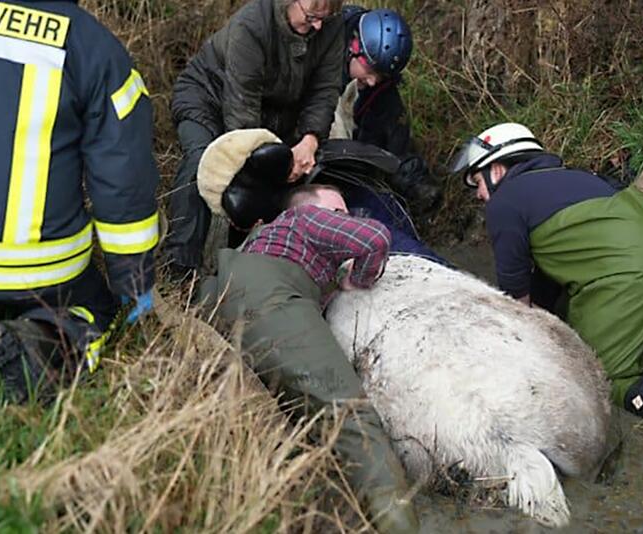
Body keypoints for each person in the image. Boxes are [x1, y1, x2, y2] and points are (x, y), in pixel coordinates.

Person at [0, 0, 160, 403]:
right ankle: (46, 342)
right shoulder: (87, 42)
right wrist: (133, 281)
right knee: (97, 309)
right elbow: (123, 176)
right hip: (27, 270)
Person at [450, 122, 643, 460]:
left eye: (477, 182)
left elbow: (516, 298)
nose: (478, 195)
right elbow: (554, 273)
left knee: (595, 377)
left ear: (497, 168)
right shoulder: (577, 177)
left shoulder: (504, 203)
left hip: (634, 273)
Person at [208, 184, 420, 533]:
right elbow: (375, 238)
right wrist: (357, 279)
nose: (345, 221)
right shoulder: (305, 218)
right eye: (338, 214)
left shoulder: (264, 241)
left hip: (228, 305)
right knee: (354, 420)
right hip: (270, 302)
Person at [166, 0, 345, 274]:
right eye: (311, 17)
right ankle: (181, 266)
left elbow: (325, 90)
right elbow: (242, 113)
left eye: (325, 17)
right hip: (209, 98)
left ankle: (245, 267)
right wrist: (271, 161)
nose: (318, 25)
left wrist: (309, 140)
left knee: (287, 181)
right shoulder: (251, 26)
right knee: (202, 162)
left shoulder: (330, 25)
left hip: (275, 111)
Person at [337, 6, 441, 215]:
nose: (374, 81)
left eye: (381, 75)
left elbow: (397, 145)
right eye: (371, 71)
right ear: (354, 48)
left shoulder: (382, 90)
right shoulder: (323, 46)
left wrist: (420, 187)